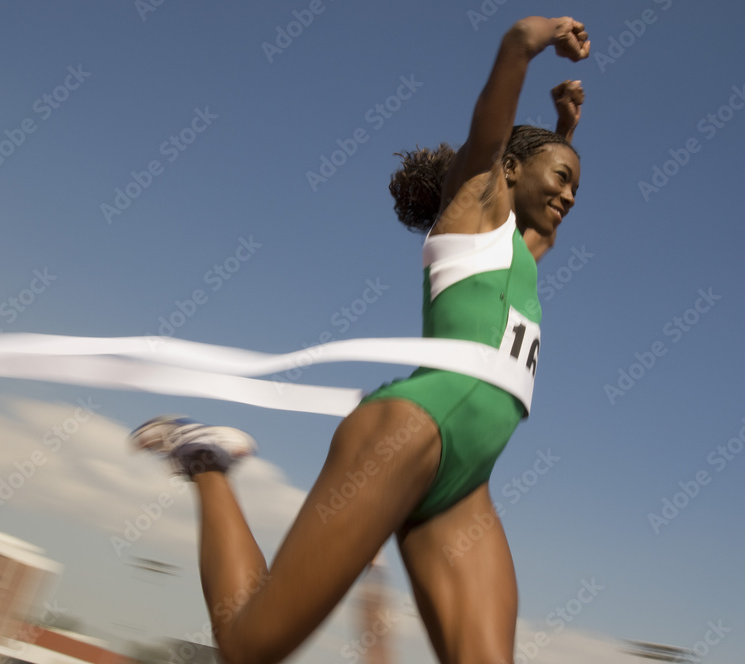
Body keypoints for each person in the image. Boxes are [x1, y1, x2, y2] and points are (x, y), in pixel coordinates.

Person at [130, 16, 589, 664]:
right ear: (506, 170)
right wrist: (526, 42)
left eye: (576, 184)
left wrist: (565, 132)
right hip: (409, 433)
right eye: (561, 178)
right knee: (249, 645)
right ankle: (205, 464)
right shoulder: (472, 209)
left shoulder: (521, 250)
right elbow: (495, 128)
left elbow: (547, 204)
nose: (569, 195)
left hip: (468, 482)